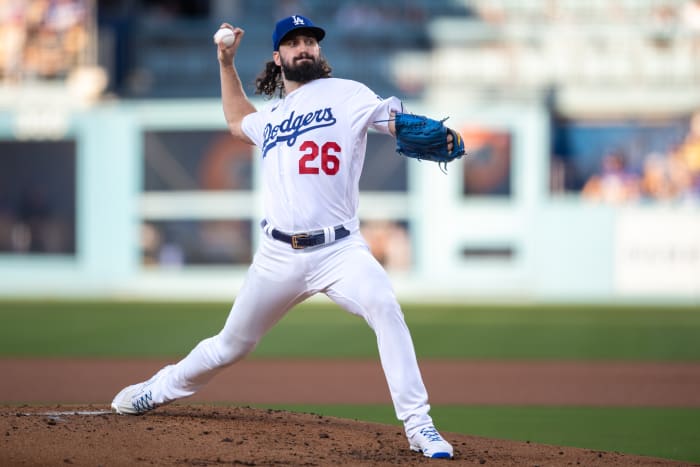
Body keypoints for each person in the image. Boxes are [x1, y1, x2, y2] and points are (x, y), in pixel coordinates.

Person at [111, 14, 461, 459]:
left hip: (341, 250)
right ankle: (158, 388)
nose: (304, 48)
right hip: (278, 255)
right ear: (278, 57)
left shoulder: (348, 93)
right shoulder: (272, 116)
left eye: (310, 41)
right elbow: (239, 123)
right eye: (293, 42)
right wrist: (225, 62)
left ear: (319, 51)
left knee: (384, 305)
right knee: (230, 346)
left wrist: (412, 126)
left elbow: (395, 123)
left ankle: (419, 426)